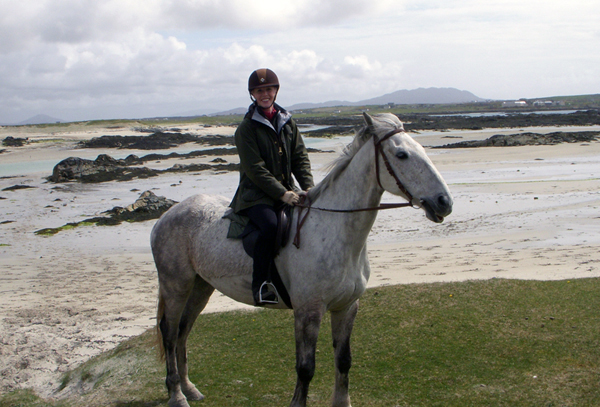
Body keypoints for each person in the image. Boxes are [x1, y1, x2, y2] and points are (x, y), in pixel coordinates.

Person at [229, 68, 314, 306]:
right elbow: (255, 169)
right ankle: (261, 285)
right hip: (256, 196)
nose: (265, 94)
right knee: (270, 225)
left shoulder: (287, 123)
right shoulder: (246, 129)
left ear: (276, 91)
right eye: (259, 90)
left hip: (288, 190)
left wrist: (308, 188)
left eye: (269, 89)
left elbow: (300, 158)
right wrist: (282, 194)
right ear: (253, 94)